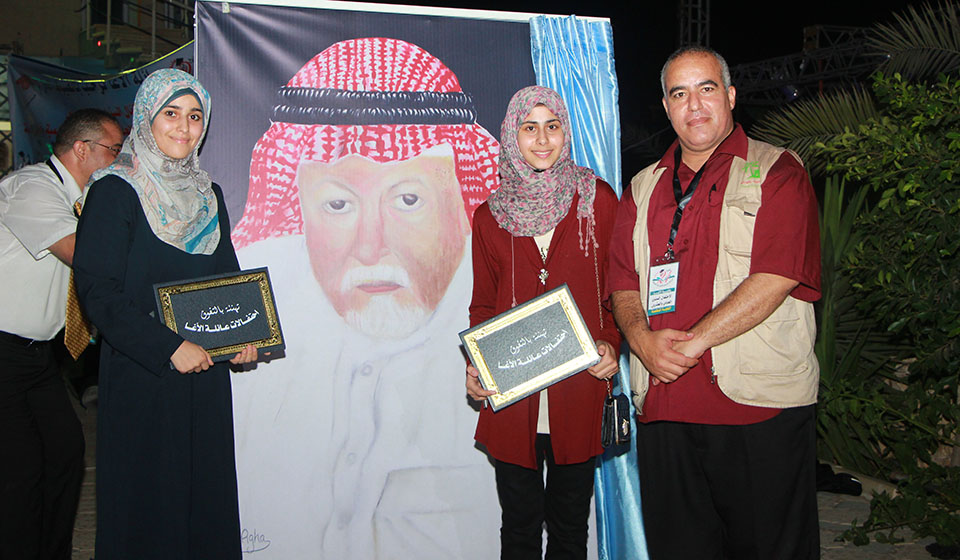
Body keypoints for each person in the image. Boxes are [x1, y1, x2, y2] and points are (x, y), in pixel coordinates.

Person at [227, 38, 502, 558]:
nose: (371, 247)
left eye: (408, 199)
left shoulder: (502, 299)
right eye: (337, 205)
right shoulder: (263, 297)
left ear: (459, 203)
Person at [607, 46, 821, 560]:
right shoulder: (641, 188)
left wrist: (691, 343)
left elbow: (777, 276)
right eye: (680, 93)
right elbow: (621, 282)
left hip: (757, 406)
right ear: (666, 107)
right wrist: (640, 341)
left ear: (730, 95)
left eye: (706, 89)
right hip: (664, 406)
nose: (694, 105)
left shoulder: (778, 171)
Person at [72, 69, 258, 559]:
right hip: (145, 376)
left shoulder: (208, 196)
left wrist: (245, 335)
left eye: (195, 116)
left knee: (204, 503)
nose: (184, 126)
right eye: (171, 113)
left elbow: (227, 281)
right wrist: (169, 346)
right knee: (150, 508)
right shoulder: (115, 191)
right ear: (146, 118)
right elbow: (98, 293)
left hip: (204, 378)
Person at [465, 86, 621, 559]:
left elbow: (617, 290)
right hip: (513, 399)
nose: (542, 139)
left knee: (571, 530)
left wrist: (611, 344)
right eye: (529, 128)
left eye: (552, 126)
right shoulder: (490, 217)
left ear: (565, 132)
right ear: (512, 136)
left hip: (580, 389)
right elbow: (482, 306)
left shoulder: (596, 200)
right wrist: (477, 367)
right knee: (519, 529)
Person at [0, 108, 122, 560]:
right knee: (22, 470)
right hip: (3, 350)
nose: (120, 160)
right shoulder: (33, 187)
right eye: (114, 150)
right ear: (82, 149)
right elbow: (82, 253)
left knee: (66, 453)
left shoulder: (85, 199)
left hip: (37, 356)